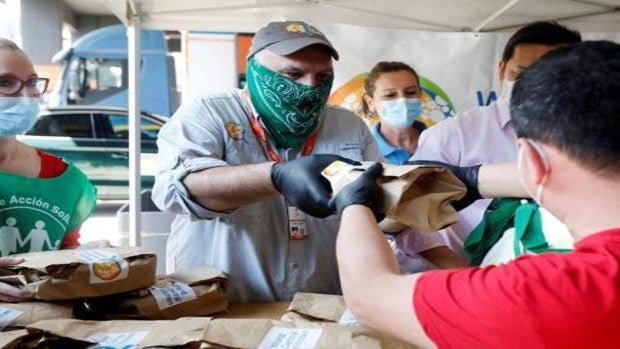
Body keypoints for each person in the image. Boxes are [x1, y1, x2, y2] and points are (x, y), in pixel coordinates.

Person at [331, 40, 620, 348]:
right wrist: (475, 179)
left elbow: (369, 297)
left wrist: (354, 202)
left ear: (530, 160)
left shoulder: (547, 291)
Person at [152, 21, 378, 302]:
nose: (309, 87)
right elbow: (175, 191)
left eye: (322, 77)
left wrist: (422, 188)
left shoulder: (348, 126)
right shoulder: (208, 113)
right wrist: (275, 177)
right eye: (293, 74)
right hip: (225, 305)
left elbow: (380, 207)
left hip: (322, 305)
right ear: (255, 71)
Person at [400, 21, 582, 261]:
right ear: (501, 69)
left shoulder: (595, 136)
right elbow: (409, 217)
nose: (535, 86)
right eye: (522, 74)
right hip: (465, 277)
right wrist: (464, 278)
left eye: (551, 77)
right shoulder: (453, 135)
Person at [0, 38, 97, 302]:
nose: (26, 94)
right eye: (4, 82)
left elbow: (66, 256)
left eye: (32, 82)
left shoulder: (68, 182)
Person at [360, 61, 467, 271]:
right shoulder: (366, 154)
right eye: (390, 95)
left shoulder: (445, 142)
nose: (402, 101)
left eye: (410, 92)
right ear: (370, 102)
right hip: (396, 270)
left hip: (462, 253)